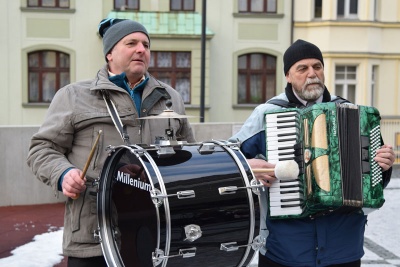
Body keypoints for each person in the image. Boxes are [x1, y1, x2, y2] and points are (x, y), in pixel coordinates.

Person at [27, 18, 195, 266]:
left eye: (146, 45)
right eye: (132, 43)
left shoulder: (171, 98)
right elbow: (41, 149)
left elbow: (189, 155)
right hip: (94, 236)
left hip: (158, 236)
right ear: (110, 53)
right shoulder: (74, 96)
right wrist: (63, 173)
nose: (142, 49)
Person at [230, 39, 395, 267]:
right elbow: (229, 161)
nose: (312, 74)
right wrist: (249, 166)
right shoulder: (267, 114)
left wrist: (384, 166)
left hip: (343, 248)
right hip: (285, 249)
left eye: (317, 66)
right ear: (288, 75)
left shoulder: (355, 116)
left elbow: (375, 180)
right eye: (302, 68)